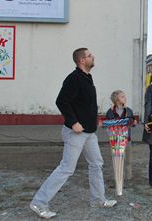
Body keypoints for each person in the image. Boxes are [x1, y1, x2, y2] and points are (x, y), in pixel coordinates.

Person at [30, 48, 116, 219]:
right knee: (66, 168)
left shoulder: (87, 78)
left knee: (96, 164)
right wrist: (73, 122)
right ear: (81, 60)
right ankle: (39, 203)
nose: (93, 56)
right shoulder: (74, 78)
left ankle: (98, 199)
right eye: (90, 55)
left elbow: (84, 105)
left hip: (89, 132)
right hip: (75, 133)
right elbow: (61, 101)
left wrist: (94, 120)